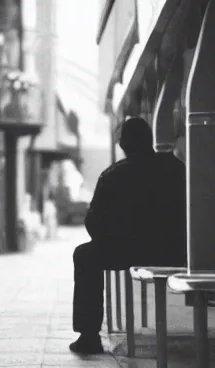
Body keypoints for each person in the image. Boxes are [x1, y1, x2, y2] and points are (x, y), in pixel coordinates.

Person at [70, 117, 186, 354]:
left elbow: (93, 222)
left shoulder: (113, 175)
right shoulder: (175, 168)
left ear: (123, 145)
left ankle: (89, 337)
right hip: (174, 250)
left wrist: (115, 238)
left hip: (125, 251)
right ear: (149, 139)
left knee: (84, 255)